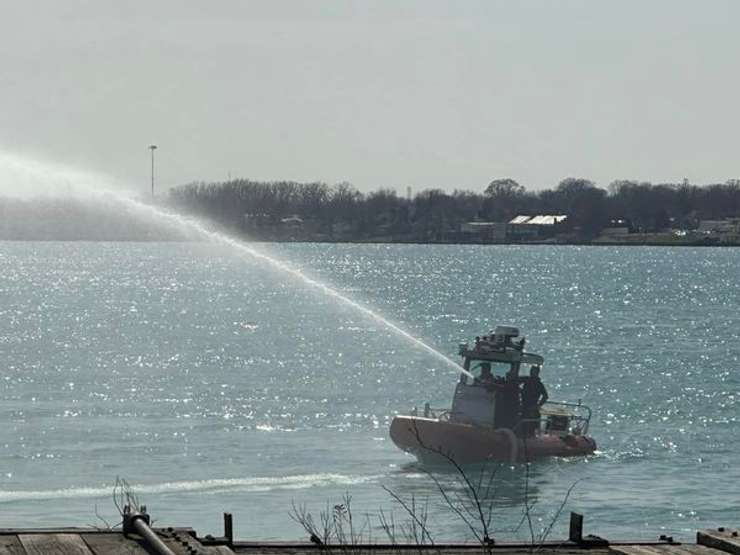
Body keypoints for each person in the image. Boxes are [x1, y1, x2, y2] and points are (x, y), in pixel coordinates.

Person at [520, 365, 548, 436]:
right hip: (524, 406)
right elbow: (516, 381)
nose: (531, 373)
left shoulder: (539, 384)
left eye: (533, 371)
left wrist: (538, 405)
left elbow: (545, 396)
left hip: (532, 407)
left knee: (531, 427)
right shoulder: (527, 380)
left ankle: (531, 436)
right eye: (531, 371)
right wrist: (520, 390)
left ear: (537, 373)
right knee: (523, 425)